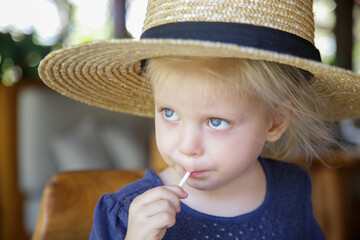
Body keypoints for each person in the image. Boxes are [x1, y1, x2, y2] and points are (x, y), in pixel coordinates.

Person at [38, 0, 360, 239]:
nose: (187, 146)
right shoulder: (127, 216)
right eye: (169, 113)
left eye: (216, 122)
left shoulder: (292, 191)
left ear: (275, 121)